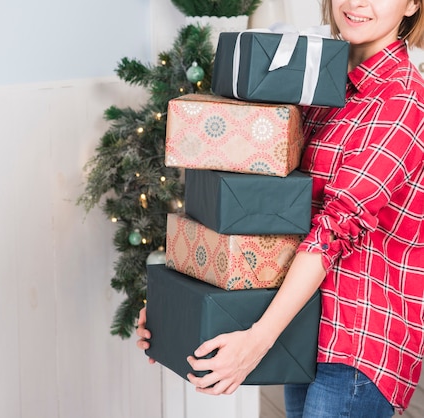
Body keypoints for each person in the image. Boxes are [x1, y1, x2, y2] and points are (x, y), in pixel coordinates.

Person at [136, 0, 424, 416]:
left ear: (413, 3)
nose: (358, 1)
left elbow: (335, 227)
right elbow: (251, 205)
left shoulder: (401, 102)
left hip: (356, 338)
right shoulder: (317, 85)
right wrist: (176, 308)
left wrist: (258, 339)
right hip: (299, 327)